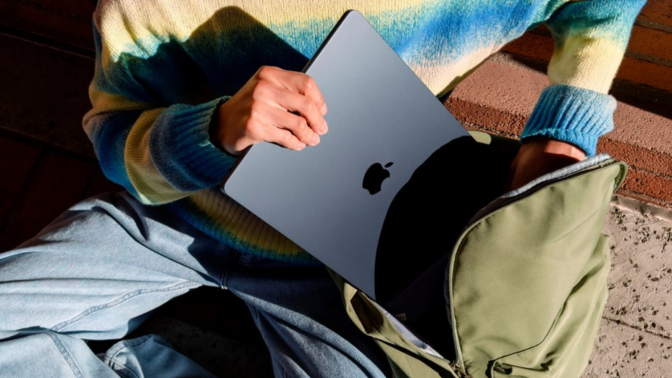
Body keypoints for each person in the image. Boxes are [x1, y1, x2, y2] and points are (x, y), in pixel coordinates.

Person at [0, 0, 647, 377]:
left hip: (344, 265)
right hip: (175, 224)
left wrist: (565, 127)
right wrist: (212, 131)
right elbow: (116, 143)